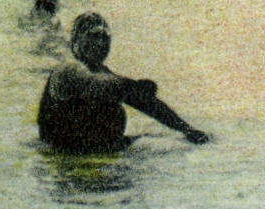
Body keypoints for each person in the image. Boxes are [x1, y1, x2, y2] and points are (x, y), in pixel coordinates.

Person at [37, 12, 210, 153]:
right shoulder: (69, 69)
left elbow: (145, 103)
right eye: (93, 36)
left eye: (105, 38)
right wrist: (133, 87)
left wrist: (185, 129)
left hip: (97, 149)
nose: (100, 43)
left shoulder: (104, 73)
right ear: (75, 40)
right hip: (68, 152)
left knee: (175, 144)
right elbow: (99, 85)